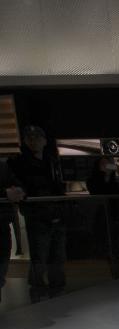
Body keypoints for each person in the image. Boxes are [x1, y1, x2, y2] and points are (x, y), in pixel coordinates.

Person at [8, 125, 68, 302]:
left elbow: (58, 186)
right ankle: (38, 289)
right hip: (38, 216)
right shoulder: (18, 163)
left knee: (57, 255)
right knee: (39, 255)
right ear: (25, 141)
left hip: (56, 212)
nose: (34, 140)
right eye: (30, 137)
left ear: (44, 140)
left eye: (37, 137)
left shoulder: (52, 161)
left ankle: (57, 288)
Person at [1, 160, 25, 302]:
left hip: (3, 221)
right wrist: (5, 193)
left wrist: (19, 191)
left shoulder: (3, 166)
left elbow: (17, 183)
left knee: (3, 262)